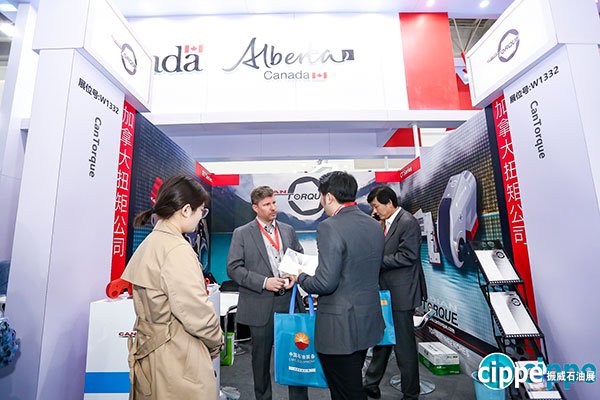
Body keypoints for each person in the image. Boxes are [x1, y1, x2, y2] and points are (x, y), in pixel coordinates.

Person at [122, 175, 223, 400]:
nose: (201, 218)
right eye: (201, 211)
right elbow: (197, 313)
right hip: (177, 358)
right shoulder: (176, 249)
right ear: (186, 210)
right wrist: (217, 342)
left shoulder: (151, 242)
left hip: (152, 354)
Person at [295, 171, 385, 400]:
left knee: (346, 391)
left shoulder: (330, 227)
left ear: (329, 197)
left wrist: (300, 277)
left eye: (320, 196)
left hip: (340, 327)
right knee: (352, 384)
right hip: (367, 320)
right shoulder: (374, 224)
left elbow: (325, 283)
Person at [227, 186, 308, 400]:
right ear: (255, 208)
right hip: (260, 304)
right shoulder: (242, 233)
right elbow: (233, 268)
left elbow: (299, 255)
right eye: (266, 204)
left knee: (296, 356)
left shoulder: (288, 230)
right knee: (261, 360)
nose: (273, 208)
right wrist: (264, 282)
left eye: (274, 203)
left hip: (289, 302)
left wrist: (294, 274)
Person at [363, 185, 428, 400]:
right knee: (383, 339)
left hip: (402, 294)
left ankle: (411, 393)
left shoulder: (407, 222)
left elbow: (408, 256)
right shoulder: (386, 222)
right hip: (386, 292)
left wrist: (376, 261)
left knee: (404, 347)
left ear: (389, 203)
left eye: (376, 206)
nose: (375, 210)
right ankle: (371, 384)